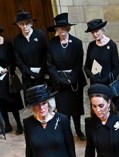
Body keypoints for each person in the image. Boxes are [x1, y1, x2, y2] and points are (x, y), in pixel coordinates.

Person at [23, 85, 78, 157]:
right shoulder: (28, 123)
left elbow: (70, 148)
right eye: (37, 105)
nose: (41, 108)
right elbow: (29, 151)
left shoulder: (62, 120)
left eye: (43, 103)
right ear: (32, 107)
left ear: (49, 103)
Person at [47, 13, 87, 142]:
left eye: (64, 27)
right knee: (63, 109)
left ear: (68, 28)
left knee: (75, 107)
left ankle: (78, 130)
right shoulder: (51, 43)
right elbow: (50, 64)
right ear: (56, 29)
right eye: (59, 28)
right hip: (59, 81)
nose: (62, 30)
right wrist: (60, 78)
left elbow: (78, 63)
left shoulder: (76, 42)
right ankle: (66, 131)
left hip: (74, 80)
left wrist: (71, 78)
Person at [84, 19, 119, 114]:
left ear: (102, 30)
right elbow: (86, 66)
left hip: (108, 84)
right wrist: (93, 77)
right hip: (95, 84)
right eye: (92, 32)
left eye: (96, 31)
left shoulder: (111, 45)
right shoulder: (91, 45)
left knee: (112, 111)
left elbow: (116, 68)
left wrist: (105, 79)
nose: (95, 34)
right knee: (98, 111)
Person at [13, 11, 49, 92]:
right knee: (31, 102)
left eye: (27, 23)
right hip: (27, 77)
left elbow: (47, 54)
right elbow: (18, 60)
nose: (25, 26)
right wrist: (30, 73)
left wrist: (41, 71)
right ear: (18, 25)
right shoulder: (17, 40)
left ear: (31, 23)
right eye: (22, 24)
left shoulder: (40, 34)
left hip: (43, 75)